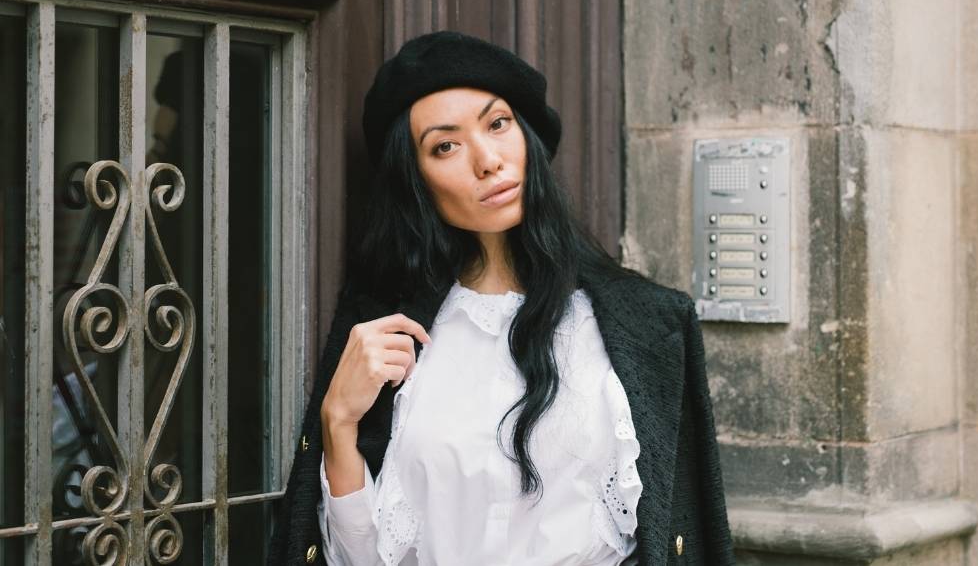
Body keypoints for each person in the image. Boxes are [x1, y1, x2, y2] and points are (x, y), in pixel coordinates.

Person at [268, 31, 734, 565]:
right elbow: (359, 559)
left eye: (497, 124)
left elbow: (694, 535)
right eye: (446, 145)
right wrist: (337, 422)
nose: (487, 160)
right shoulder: (384, 327)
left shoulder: (652, 323)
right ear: (415, 179)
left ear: (526, 135)